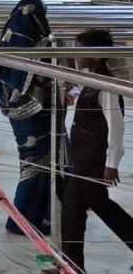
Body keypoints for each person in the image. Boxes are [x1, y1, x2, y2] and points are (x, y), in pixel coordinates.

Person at [61, 28, 133, 271]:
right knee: (101, 206)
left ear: (97, 54)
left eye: (81, 50)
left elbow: (116, 126)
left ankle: (71, 266)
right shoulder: (91, 78)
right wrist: (71, 94)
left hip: (93, 157)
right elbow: (79, 92)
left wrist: (112, 163)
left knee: (72, 208)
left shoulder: (107, 86)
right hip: (82, 153)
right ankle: (70, 264)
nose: (76, 55)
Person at [0, 0, 62, 236]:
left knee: (35, 162)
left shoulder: (9, 40)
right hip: (36, 113)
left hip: (19, 112)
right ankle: (20, 221)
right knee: (35, 162)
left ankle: (41, 216)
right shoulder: (40, 44)